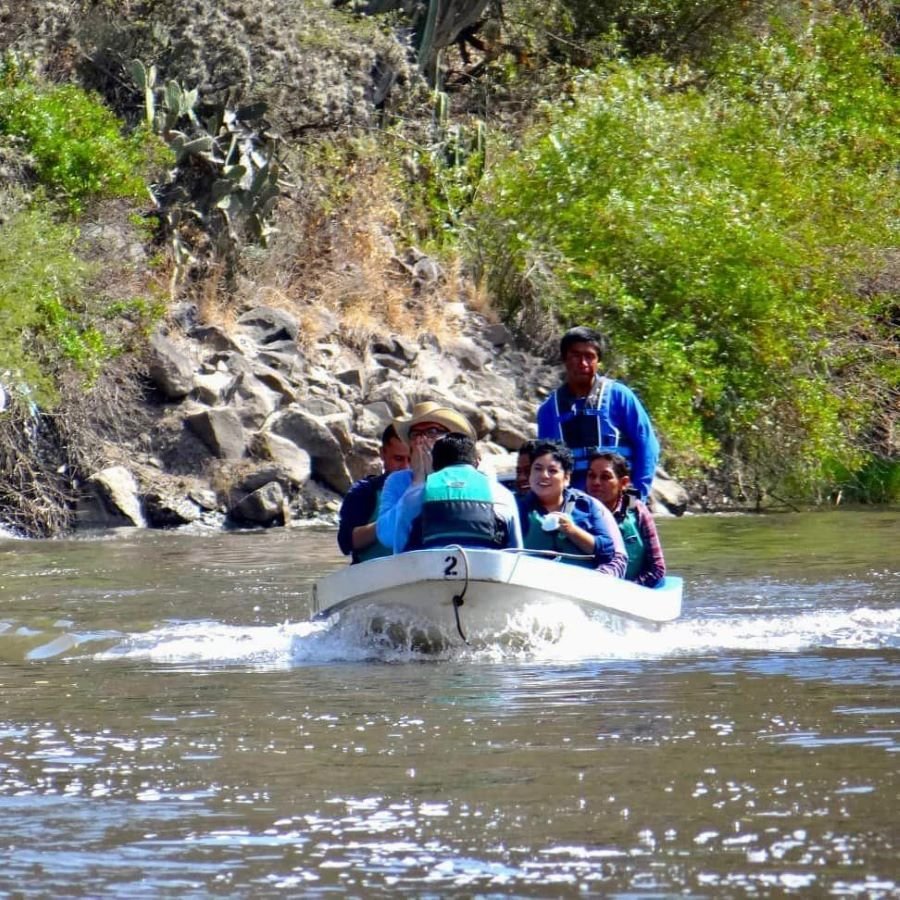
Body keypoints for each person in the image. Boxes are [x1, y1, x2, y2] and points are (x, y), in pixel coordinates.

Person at [536, 326, 660, 500]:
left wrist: (637, 495)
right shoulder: (549, 410)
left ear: (598, 361)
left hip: (619, 500)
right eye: (576, 356)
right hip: (575, 506)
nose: (583, 363)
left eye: (589, 356)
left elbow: (648, 448)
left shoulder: (620, 396)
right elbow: (546, 464)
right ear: (564, 359)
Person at [392, 432, 523, 553]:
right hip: (487, 572)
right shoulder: (503, 494)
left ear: (434, 464)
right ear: (476, 462)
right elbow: (517, 551)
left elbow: (399, 553)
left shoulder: (413, 496)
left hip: (430, 572)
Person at [375, 401, 477, 551]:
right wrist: (418, 482)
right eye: (415, 434)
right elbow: (387, 536)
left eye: (432, 432)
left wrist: (435, 477)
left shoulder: (471, 478)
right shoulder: (398, 481)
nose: (421, 441)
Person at [518, 440, 626, 577]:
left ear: (567, 478)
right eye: (537, 469)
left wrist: (572, 530)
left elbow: (607, 551)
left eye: (552, 471)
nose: (544, 475)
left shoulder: (587, 505)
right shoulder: (516, 508)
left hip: (578, 587)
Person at [586, 452, 666, 587]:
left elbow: (657, 570)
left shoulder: (637, 511)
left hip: (630, 590)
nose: (596, 482)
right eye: (591, 476)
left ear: (623, 483)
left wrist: (626, 590)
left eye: (605, 477)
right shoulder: (575, 510)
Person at [337, 424, 411, 563]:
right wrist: (387, 523)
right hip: (372, 577)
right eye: (398, 459)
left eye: (411, 459)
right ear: (383, 453)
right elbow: (345, 543)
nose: (405, 467)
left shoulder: (431, 488)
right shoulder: (363, 492)